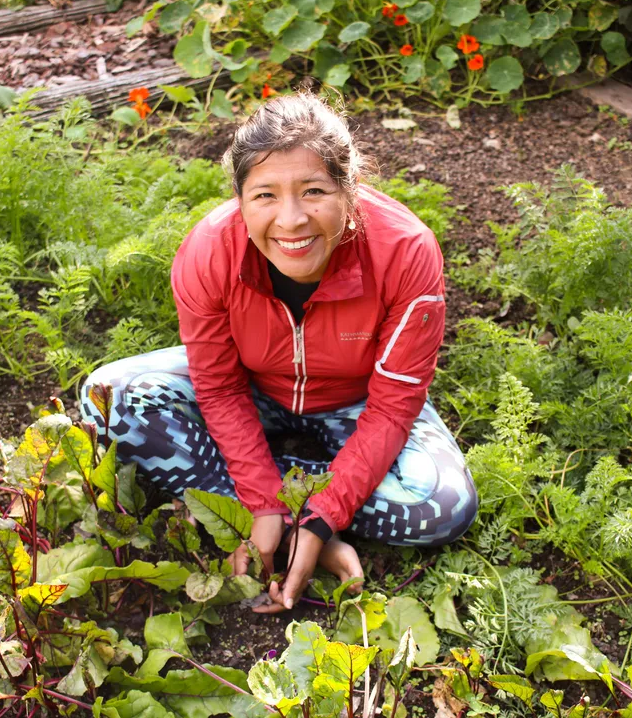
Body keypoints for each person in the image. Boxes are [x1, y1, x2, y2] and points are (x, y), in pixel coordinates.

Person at [80, 93, 477, 614]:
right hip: (252, 389)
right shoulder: (209, 251)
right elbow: (218, 386)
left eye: (314, 190)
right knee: (107, 399)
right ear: (240, 201)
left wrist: (322, 515)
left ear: (350, 190)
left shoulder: (406, 252)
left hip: (359, 405)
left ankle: (279, 500)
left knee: (444, 508)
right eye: (265, 195)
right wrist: (263, 503)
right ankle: (281, 503)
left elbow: (392, 406)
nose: (291, 220)